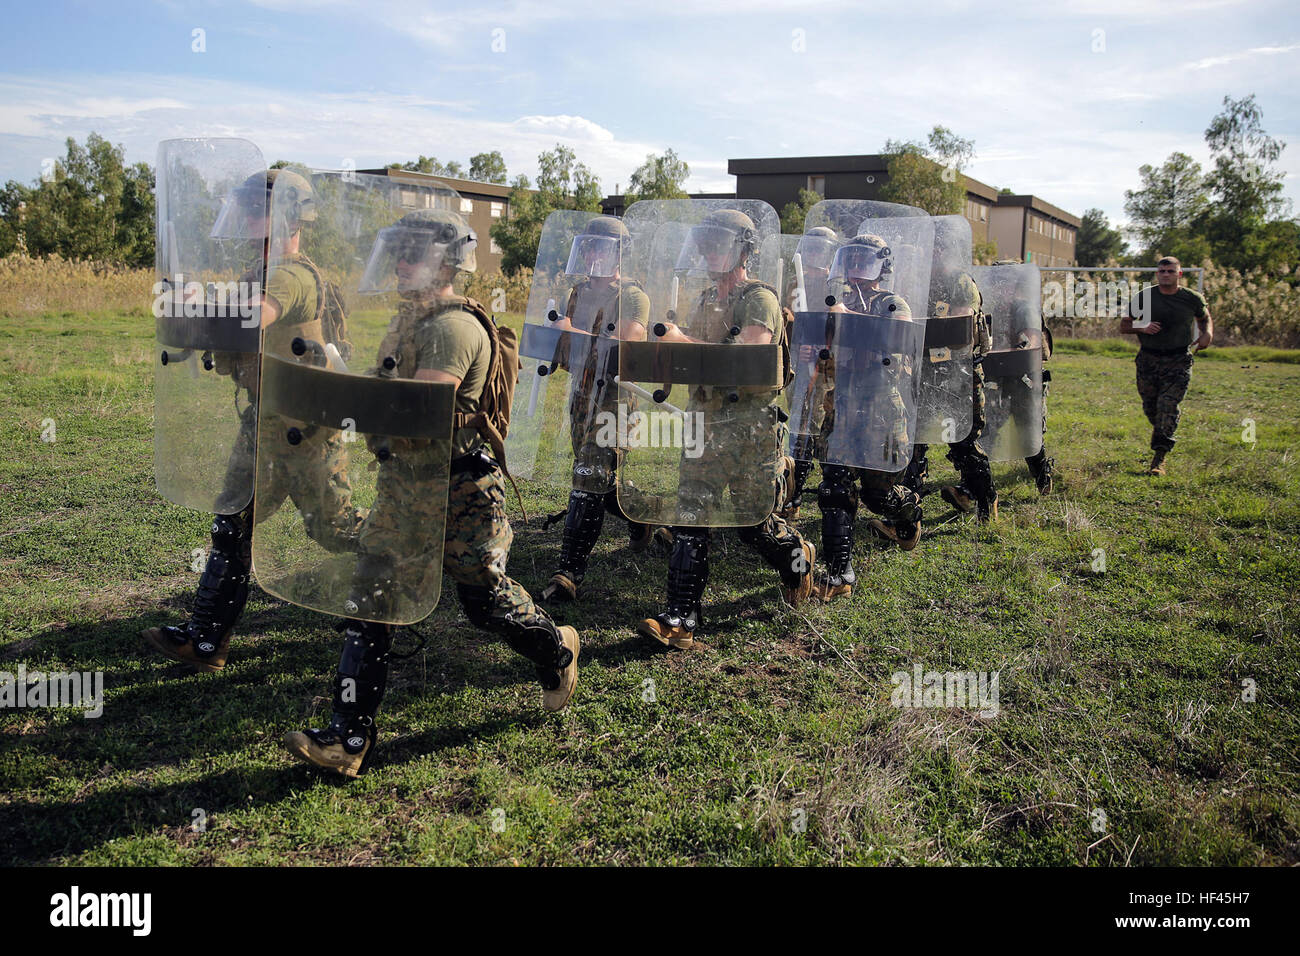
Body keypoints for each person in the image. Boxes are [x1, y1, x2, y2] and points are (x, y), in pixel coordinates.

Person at [285, 206, 579, 778]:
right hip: (404, 485)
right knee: (370, 597)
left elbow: (414, 411)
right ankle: (347, 738)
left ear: (445, 262)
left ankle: (559, 649)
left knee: (486, 603)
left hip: (460, 492)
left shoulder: (453, 327)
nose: (399, 263)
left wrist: (350, 399)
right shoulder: (410, 320)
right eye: (395, 250)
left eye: (411, 253)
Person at [141, 169, 365, 673]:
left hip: (307, 433)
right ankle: (205, 640)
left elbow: (251, 317)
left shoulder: (291, 274)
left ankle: (411, 572)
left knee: (336, 531)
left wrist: (205, 304)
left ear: (286, 215)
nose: (243, 217)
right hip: (263, 425)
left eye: (254, 208)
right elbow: (233, 322)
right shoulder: (258, 270)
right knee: (232, 524)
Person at [635, 207, 816, 648]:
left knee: (751, 523)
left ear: (743, 251)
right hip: (704, 425)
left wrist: (683, 342)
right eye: (706, 244)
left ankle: (795, 556)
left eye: (719, 244)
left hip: (750, 431)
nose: (709, 252)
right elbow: (691, 358)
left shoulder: (759, 300)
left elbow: (745, 361)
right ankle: (681, 616)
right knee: (691, 515)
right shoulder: (703, 300)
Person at [540, 216, 657, 603]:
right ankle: (645, 516)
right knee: (603, 485)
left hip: (615, 402)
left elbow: (625, 346)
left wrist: (571, 332)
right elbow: (569, 345)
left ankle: (568, 572)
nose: (593, 255)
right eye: (588, 247)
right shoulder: (578, 291)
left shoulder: (633, 296)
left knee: (587, 477)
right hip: (581, 397)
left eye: (601, 248)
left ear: (619, 254)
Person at [1120, 256, 1212, 475]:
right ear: (1157, 274)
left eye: (1170, 271)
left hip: (1178, 359)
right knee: (1151, 407)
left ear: (1179, 274)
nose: (1165, 274)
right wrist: (1142, 328)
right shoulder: (1145, 296)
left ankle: (1159, 458)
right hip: (1148, 359)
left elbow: (1204, 317)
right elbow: (1124, 325)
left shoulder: (1191, 298)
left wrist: (1207, 333)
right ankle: (1165, 425)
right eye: (1162, 271)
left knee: (1167, 404)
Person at [782, 225, 839, 521]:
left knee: (823, 433)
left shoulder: (837, 283)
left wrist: (822, 346)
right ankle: (793, 499)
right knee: (799, 429)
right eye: (811, 249)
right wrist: (797, 343)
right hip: (799, 368)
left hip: (831, 371)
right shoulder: (795, 283)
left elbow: (841, 322)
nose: (815, 255)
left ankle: (834, 497)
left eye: (821, 250)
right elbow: (787, 318)